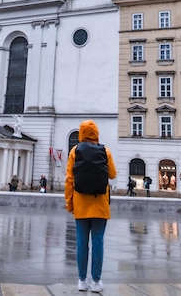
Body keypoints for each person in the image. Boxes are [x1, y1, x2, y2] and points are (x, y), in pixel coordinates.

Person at [65, 119, 117, 293]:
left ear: (81, 134)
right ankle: (96, 281)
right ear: (96, 134)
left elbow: (69, 180)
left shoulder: (75, 151)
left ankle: (81, 280)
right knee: (98, 242)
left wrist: (69, 203)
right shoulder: (105, 150)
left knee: (81, 243)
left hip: (81, 204)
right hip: (100, 204)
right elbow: (113, 174)